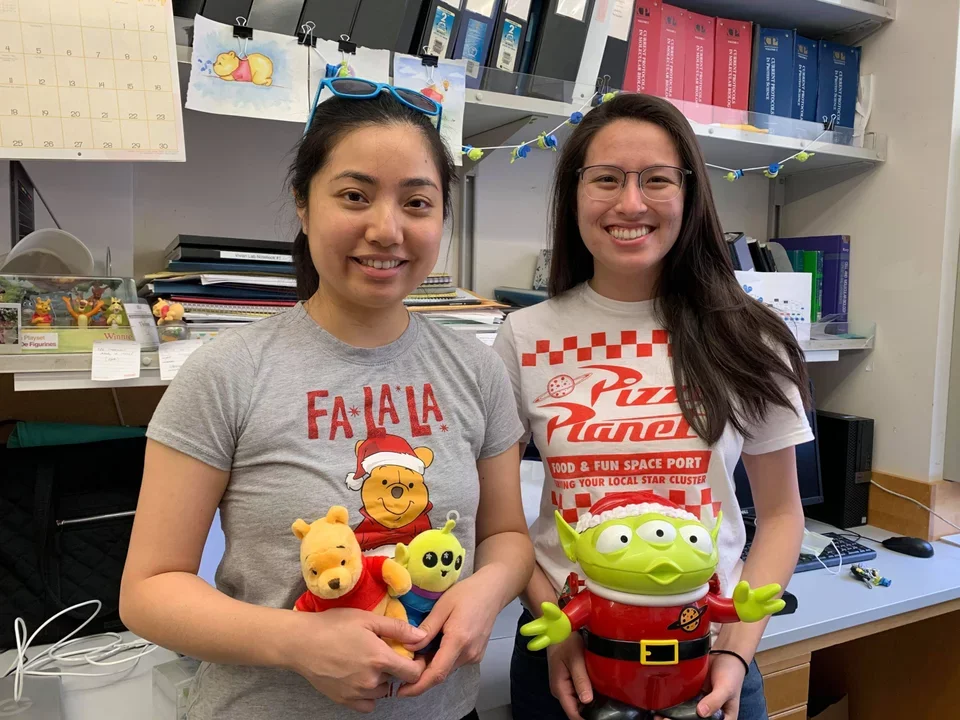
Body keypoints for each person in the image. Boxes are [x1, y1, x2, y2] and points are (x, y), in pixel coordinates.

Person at [120, 86, 534, 720]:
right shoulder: (227, 372)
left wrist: (487, 589)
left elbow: (506, 535)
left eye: (417, 202)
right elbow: (149, 592)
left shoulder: (476, 371)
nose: (386, 229)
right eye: (354, 196)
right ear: (303, 206)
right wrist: (299, 642)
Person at [494, 93, 812, 720]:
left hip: (707, 656)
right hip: (569, 657)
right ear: (574, 193)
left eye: (657, 180)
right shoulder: (525, 336)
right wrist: (553, 627)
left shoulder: (750, 335)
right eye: (606, 179)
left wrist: (736, 652)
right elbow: (499, 521)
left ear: (690, 194)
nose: (630, 203)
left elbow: (780, 517)